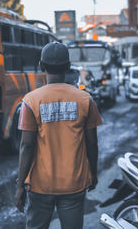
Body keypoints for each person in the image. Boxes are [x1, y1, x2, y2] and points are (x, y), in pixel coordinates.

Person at [14, 42, 102, 229]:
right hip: (74, 183)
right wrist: (92, 173)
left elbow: (26, 146)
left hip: (40, 185)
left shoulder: (30, 101)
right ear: (68, 66)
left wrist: (20, 185)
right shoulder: (85, 100)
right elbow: (92, 143)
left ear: (41, 66)